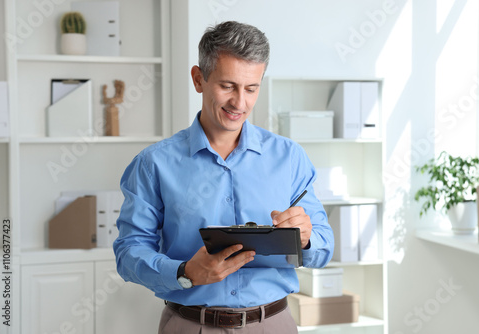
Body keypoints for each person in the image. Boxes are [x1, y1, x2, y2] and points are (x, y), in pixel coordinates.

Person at [113, 21, 334, 334]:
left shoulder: (289, 157)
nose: (239, 103)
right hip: (191, 325)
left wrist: (307, 237)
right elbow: (128, 253)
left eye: (251, 88)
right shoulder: (154, 164)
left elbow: (325, 246)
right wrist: (185, 272)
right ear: (198, 79)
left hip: (273, 325)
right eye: (228, 86)